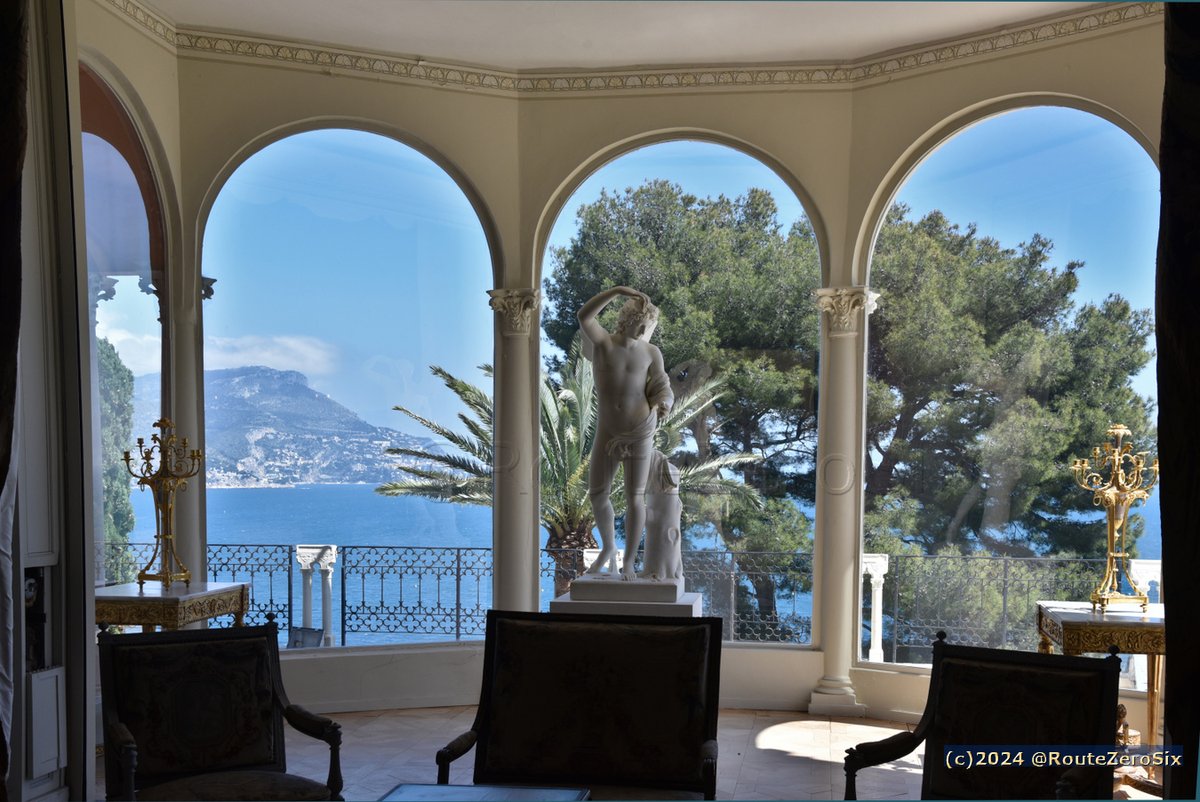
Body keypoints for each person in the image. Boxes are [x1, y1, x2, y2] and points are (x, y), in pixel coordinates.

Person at [578, 286, 673, 579]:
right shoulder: (604, 344)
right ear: (628, 318)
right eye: (640, 323)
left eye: (648, 325)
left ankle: (629, 560)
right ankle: (608, 548)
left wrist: (664, 403)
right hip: (608, 432)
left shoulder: (651, 352)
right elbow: (584, 316)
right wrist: (617, 291)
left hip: (640, 430)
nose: (644, 329)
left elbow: (662, 385)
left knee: (636, 497)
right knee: (597, 494)